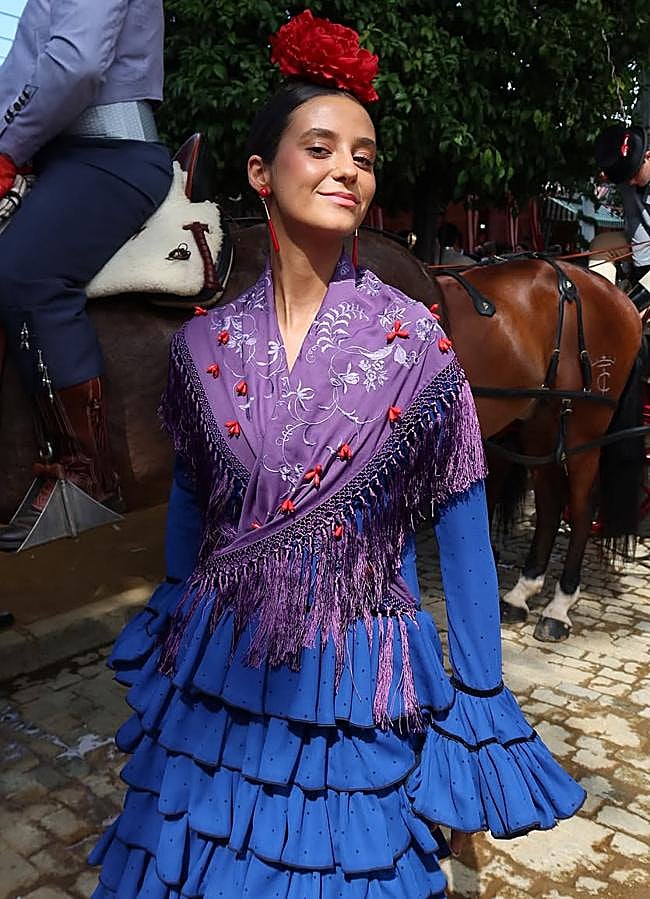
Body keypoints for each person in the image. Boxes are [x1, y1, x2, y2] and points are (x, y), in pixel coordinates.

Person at [89, 11, 585, 896]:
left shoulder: (414, 345)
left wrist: (477, 691)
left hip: (357, 675)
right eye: (320, 147)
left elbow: (465, 524)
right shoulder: (202, 348)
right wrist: (172, 606)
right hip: (219, 669)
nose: (347, 169)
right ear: (260, 171)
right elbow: (195, 503)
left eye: (362, 155)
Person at [0, 0, 173, 552]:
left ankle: (85, 482)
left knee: (26, 274)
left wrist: (5, 145)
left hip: (110, 152)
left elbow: (75, 64)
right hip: (56, 154)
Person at [594, 124, 650, 301]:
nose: (630, 183)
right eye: (625, 179)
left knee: (635, 309)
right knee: (601, 243)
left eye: (633, 175)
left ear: (648, 157)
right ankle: (600, 304)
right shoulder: (624, 175)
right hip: (640, 244)